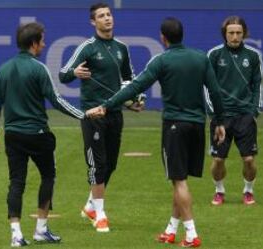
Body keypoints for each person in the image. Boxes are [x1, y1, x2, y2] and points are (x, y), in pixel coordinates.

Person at [87, 17, 225, 247]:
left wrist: (106, 105)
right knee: (179, 180)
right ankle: (171, 229)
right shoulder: (201, 58)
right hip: (197, 126)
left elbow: (135, 87)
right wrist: (219, 121)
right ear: (183, 34)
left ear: (163, 37)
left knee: (179, 181)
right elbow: (215, 92)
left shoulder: (161, 61)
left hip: (174, 127)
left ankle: (191, 234)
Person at [0, 22, 85, 247]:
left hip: (12, 135)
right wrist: (83, 115)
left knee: (16, 182)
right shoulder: (39, 69)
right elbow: (57, 100)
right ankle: (41, 229)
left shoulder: (3, 70)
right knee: (48, 176)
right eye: (42, 40)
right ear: (33, 44)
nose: (44, 43)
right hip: (38, 134)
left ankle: (16, 235)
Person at [58, 2, 143, 232]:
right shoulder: (86, 47)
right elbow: (63, 74)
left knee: (110, 164)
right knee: (98, 163)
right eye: (101, 16)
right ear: (93, 22)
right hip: (93, 114)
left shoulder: (121, 48)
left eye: (109, 14)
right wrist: (74, 73)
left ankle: (90, 206)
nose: (107, 18)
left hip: (115, 113)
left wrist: (134, 100)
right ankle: (101, 215)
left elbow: (130, 79)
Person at [205, 16, 263, 206]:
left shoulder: (254, 55)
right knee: (218, 160)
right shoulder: (214, 55)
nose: (235, 36)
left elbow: (259, 84)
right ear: (225, 34)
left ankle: (248, 190)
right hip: (221, 117)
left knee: (248, 159)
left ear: (244, 33)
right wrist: (215, 115)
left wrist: (254, 111)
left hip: (245, 116)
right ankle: (219, 191)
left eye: (239, 33)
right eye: (231, 33)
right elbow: (207, 85)